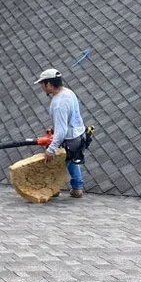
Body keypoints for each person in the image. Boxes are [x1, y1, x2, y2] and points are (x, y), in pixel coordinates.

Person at [35, 68, 87, 198]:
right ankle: (77, 188)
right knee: (72, 159)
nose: (41, 87)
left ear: (49, 84)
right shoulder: (68, 92)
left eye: (42, 84)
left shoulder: (59, 103)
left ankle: (53, 189)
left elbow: (62, 130)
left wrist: (51, 149)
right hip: (79, 134)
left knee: (55, 163)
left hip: (69, 138)